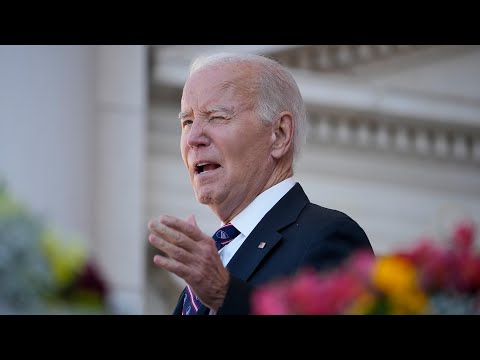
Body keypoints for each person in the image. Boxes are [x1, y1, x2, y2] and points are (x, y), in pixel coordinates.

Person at [147, 52, 374, 315]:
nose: (193, 138)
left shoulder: (330, 236)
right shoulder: (209, 264)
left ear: (279, 135)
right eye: (187, 122)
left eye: (217, 117)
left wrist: (224, 292)